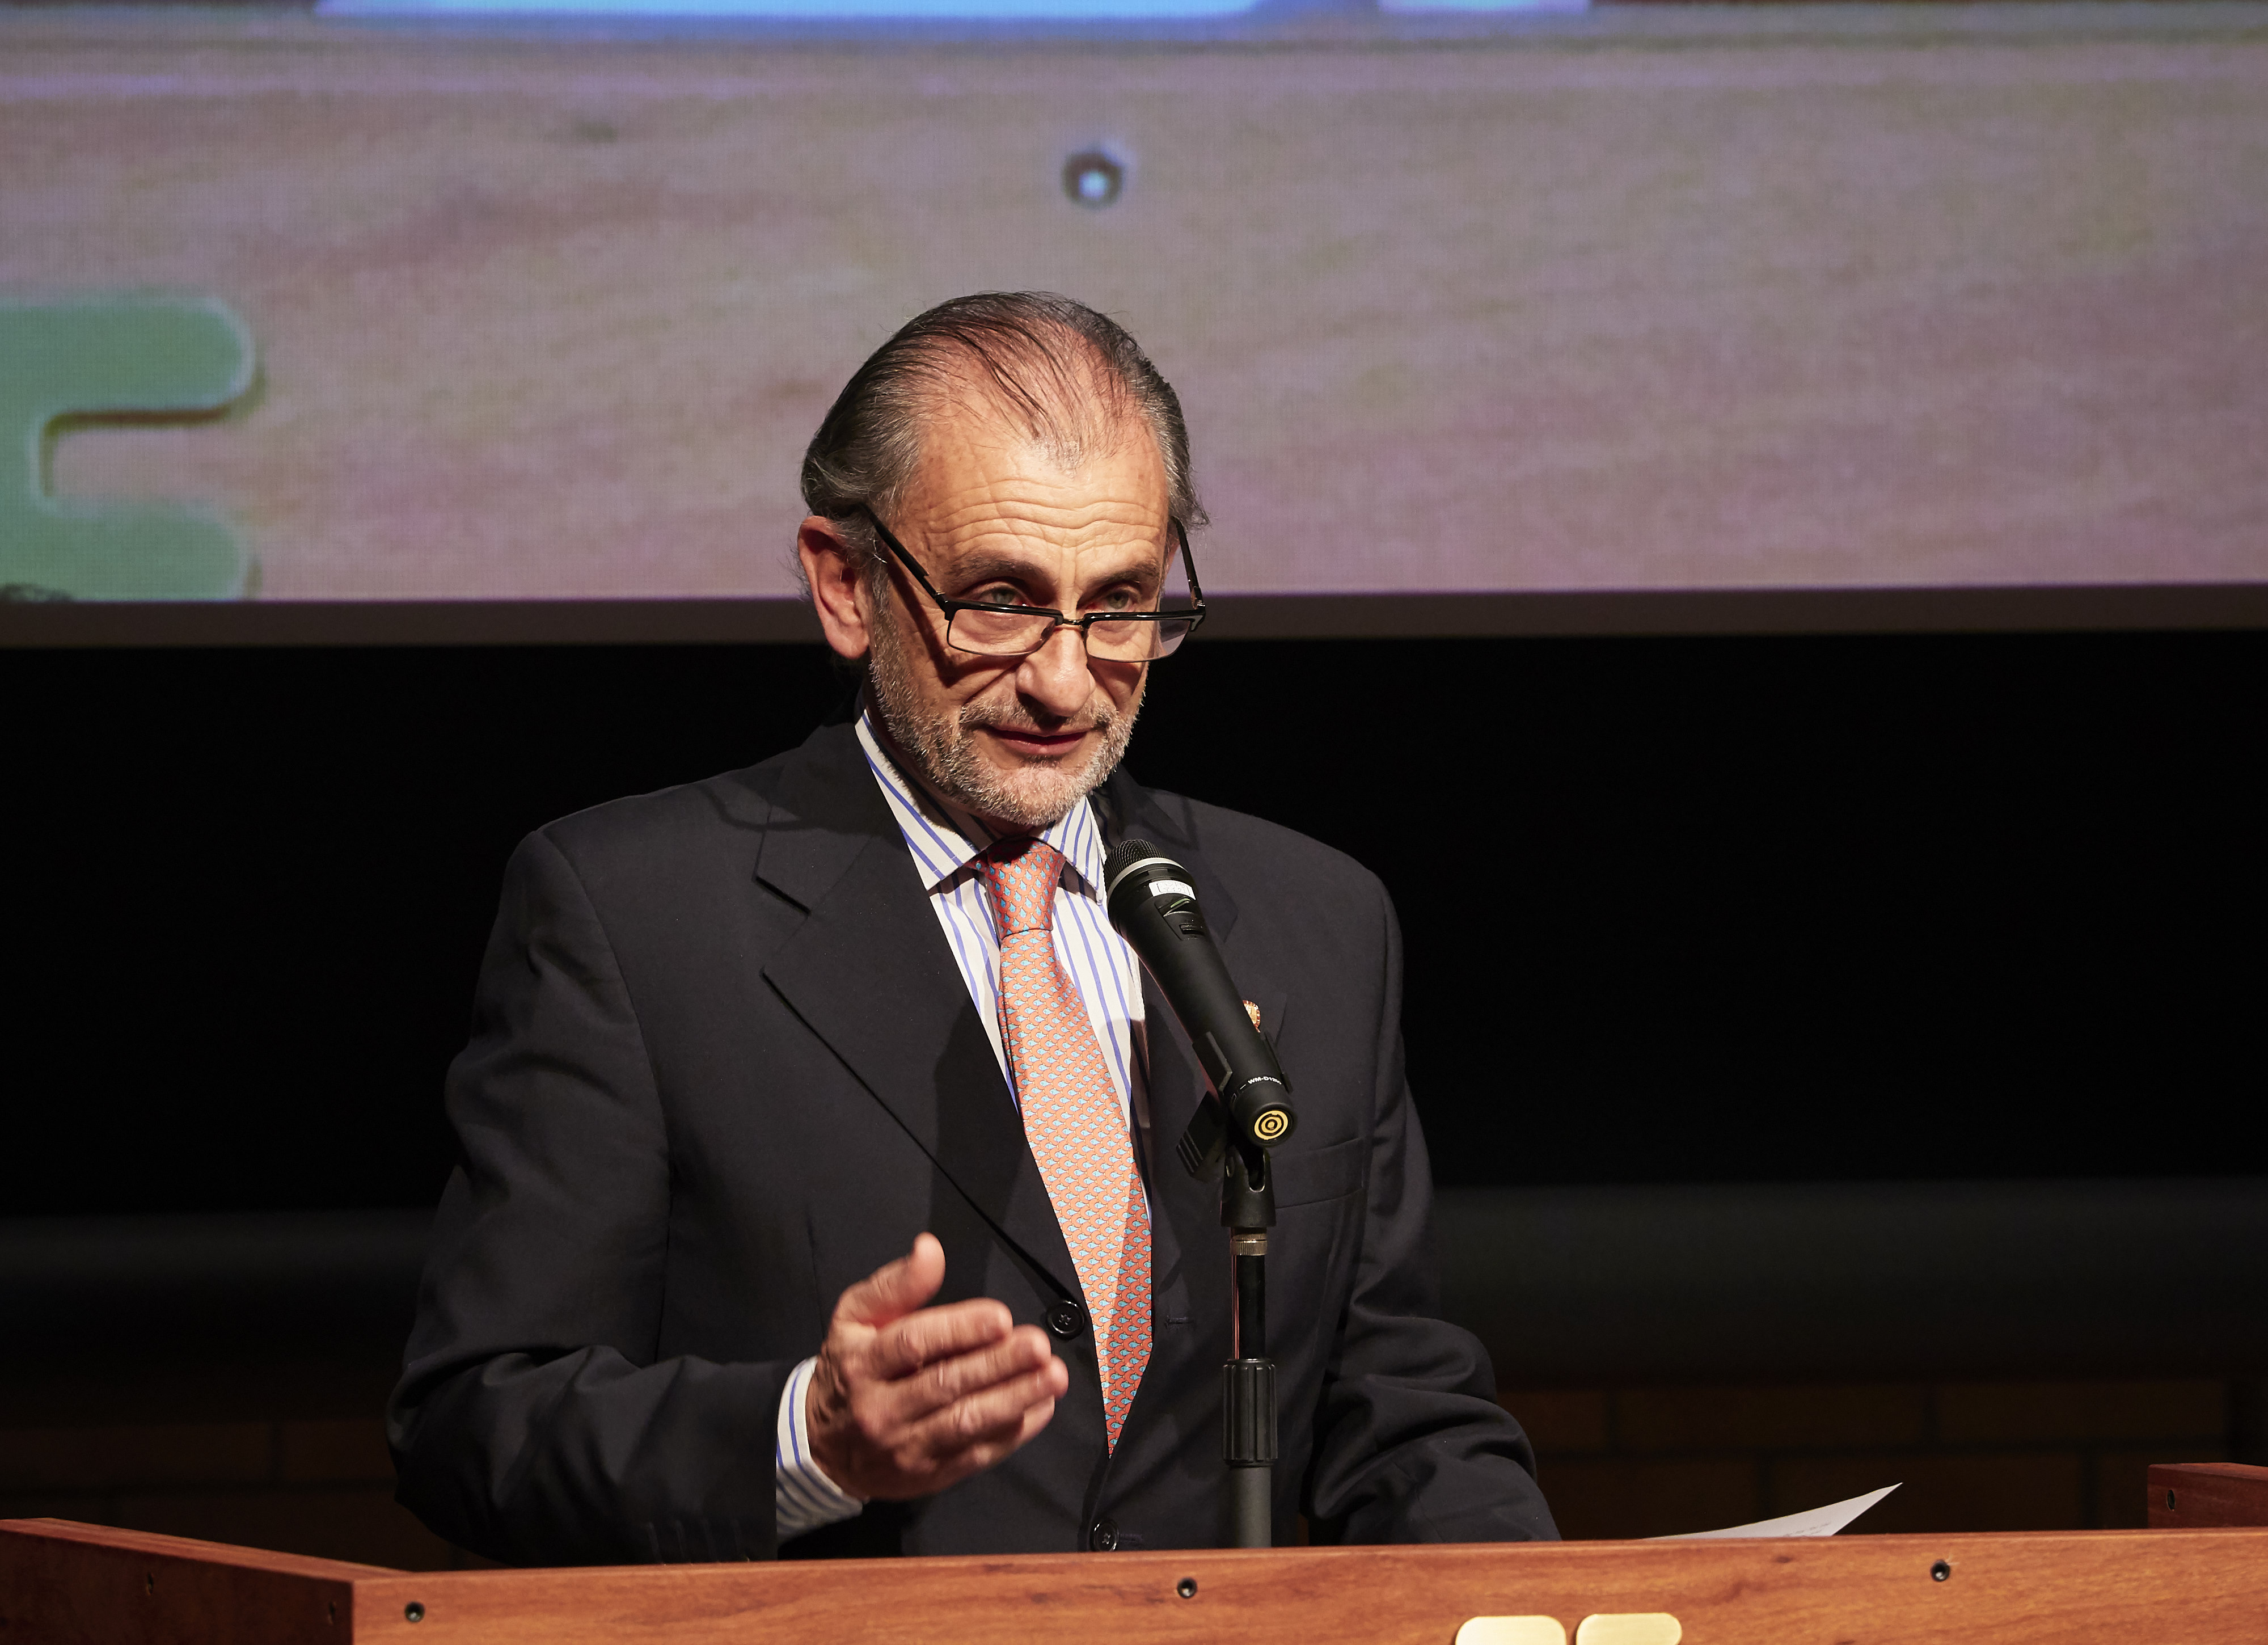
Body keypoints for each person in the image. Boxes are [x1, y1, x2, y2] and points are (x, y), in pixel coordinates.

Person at [389, 292, 1557, 1564]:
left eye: (1119, 603)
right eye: (1000, 598)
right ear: (844, 585)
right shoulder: (633, 917)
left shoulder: (1313, 921)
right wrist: (805, 1438)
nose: (1065, 680)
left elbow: (1400, 1419)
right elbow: (473, 1419)